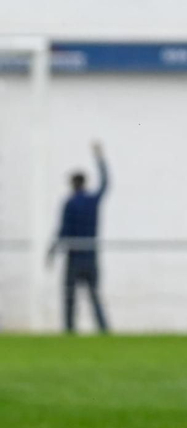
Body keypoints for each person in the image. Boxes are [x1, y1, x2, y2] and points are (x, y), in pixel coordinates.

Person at [50, 142, 110, 334]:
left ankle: (69, 330)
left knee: (70, 297)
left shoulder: (70, 203)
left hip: (75, 256)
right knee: (94, 296)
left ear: (73, 183)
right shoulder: (92, 201)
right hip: (90, 255)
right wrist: (100, 159)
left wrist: (52, 250)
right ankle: (103, 330)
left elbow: (63, 230)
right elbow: (106, 184)